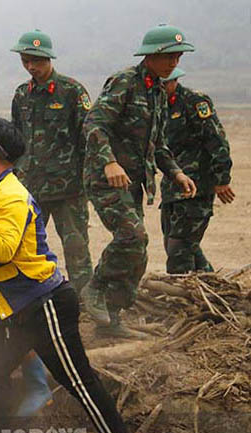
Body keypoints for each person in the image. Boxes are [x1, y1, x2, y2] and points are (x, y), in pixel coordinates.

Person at [0, 113, 139, 433]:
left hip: (44, 304)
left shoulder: (12, 196)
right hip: (12, 309)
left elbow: (4, 249)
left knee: (79, 381)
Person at [82, 24, 197, 338]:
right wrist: (109, 163)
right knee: (133, 236)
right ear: (152, 55)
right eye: (170, 56)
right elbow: (94, 124)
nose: (175, 62)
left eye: (178, 56)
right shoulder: (125, 83)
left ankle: (112, 321)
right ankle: (94, 287)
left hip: (133, 183)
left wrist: (176, 172)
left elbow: (157, 144)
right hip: (106, 179)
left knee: (138, 254)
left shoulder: (158, 91)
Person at [10, 29, 93, 296]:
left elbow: (89, 137)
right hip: (31, 191)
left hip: (69, 189)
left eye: (36, 60)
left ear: (49, 59)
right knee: (27, 250)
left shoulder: (72, 92)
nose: (31, 66)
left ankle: (84, 303)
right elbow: (16, 139)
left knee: (77, 250)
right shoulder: (22, 94)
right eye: (25, 61)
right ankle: (33, 299)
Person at [160, 68, 234, 273]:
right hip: (172, 188)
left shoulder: (194, 102)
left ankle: (180, 299)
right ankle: (212, 288)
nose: (161, 88)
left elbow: (216, 140)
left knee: (179, 248)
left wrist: (222, 178)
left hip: (198, 187)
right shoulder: (157, 105)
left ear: (174, 81)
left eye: (165, 83)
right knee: (178, 245)